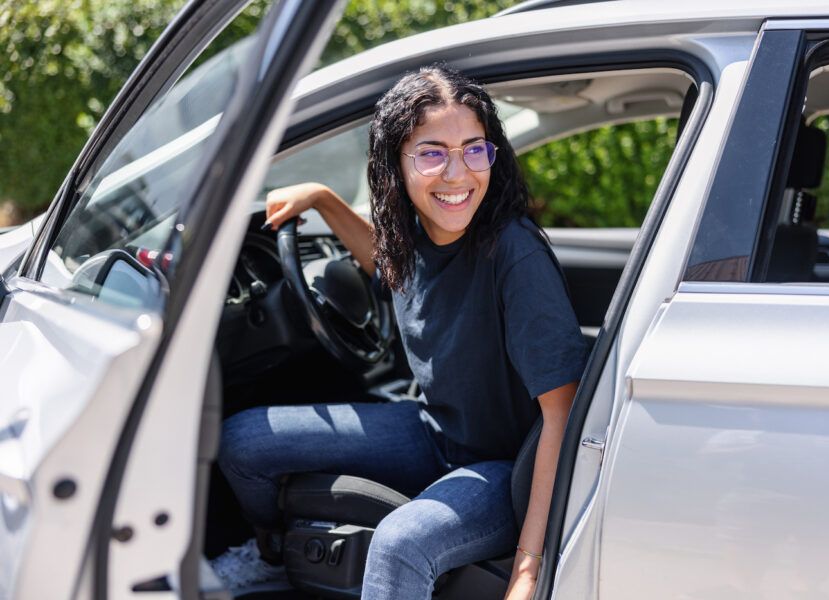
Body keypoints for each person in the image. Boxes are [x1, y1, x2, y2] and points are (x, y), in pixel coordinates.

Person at [212, 66, 587, 600]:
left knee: (399, 544)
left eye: (474, 149)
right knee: (242, 442)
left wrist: (530, 566)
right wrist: (323, 198)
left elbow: (562, 411)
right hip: (432, 432)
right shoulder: (416, 231)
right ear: (396, 164)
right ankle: (274, 556)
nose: (458, 174)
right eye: (432, 152)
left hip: (503, 472)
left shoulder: (513, 252)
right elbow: (391, 268)